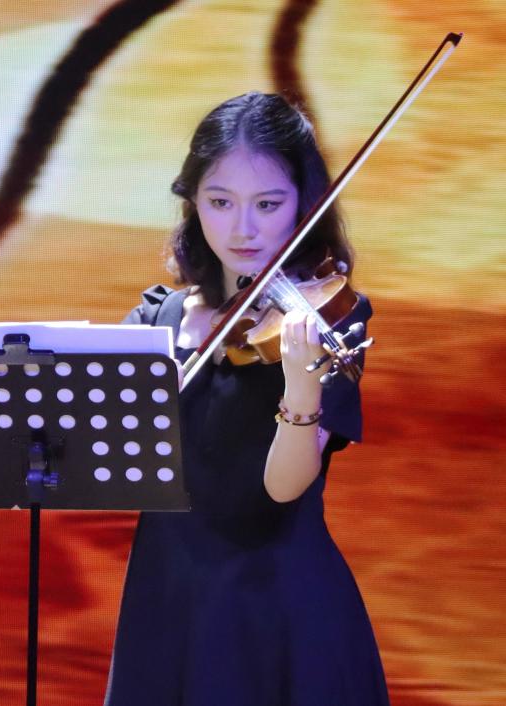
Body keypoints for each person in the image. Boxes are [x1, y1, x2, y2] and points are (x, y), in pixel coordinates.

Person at [104, 93, 389, 705]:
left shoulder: (331, 316)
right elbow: (105, 462)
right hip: (166, 605)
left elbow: (283, 489)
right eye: (220, 202)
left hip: (282, 612)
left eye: (268, 204)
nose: (243, 229)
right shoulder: (154, 321)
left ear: (304, 205)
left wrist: (302, 385)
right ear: (192, 202)